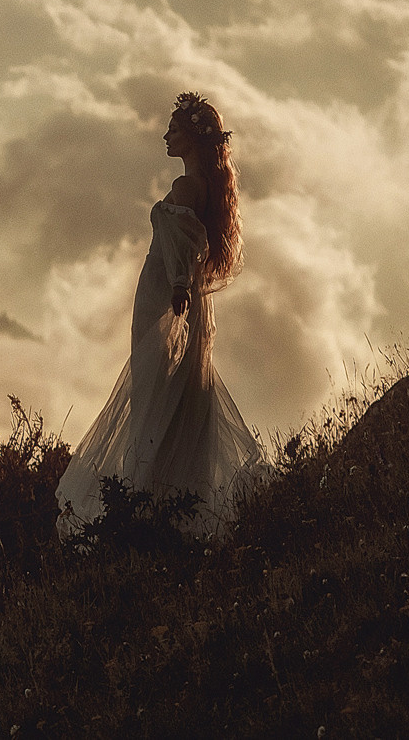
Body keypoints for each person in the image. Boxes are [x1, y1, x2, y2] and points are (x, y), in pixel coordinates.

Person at [56, 91, 262, 531]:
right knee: (180, 392)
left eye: (174, 129)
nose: (166, 136)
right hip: (179, 294)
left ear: (191, 137)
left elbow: (185, 243)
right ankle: (169, 498)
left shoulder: (186, 187)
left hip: (164, 296)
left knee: (152, 392)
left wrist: (180, 287)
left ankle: (143, 495)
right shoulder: (206, 186)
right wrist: (184, 285)